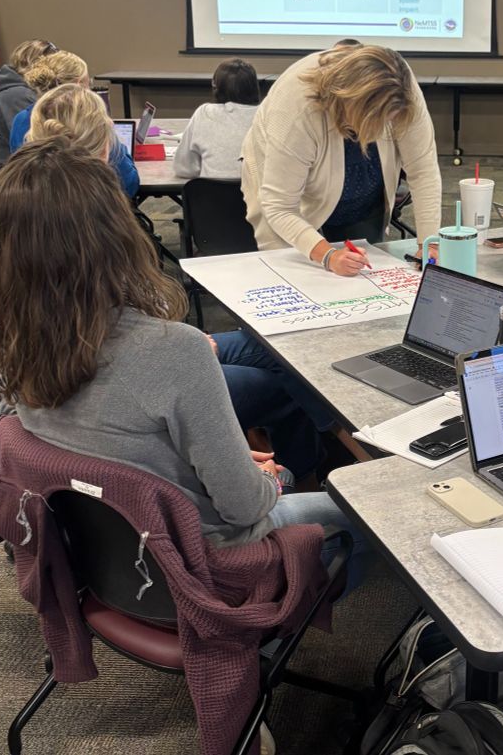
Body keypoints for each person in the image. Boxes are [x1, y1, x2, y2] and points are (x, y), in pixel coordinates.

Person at [0, 139, 366, 571]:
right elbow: (244, 509)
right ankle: (283, 615)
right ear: (116, 234)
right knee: (371, 506)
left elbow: (110, 441)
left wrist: (225, 461)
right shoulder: (173, 349)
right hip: (203, 560)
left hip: (108, 553)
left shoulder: (5, 334)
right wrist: (256, 479)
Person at [23, 83, 330, 483]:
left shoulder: (21, 215)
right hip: (134, 382)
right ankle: (317, 466)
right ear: (105, 148)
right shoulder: (100, 228)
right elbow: (240, 504)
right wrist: (176, 345)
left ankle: (323, 445)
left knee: (266, 347)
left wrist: (171, 341)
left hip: (105, 379)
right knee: (277, 378)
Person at [240, 44, 442, 276]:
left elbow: (423, 170)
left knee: (364, 267)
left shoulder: (400, 88)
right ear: (353, 109)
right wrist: (328, 255)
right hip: (286, 185)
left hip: (360, 185)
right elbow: (280, 207)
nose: (383, 131)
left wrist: (430, 244)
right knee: (297, 275)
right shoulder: (295, 110)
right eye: (378, 123)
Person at [7, 50, 140, 198]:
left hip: (34, 210)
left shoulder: (20, 121)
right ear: (79, 85)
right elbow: (128, 184)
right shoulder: (92, 124)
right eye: (89, 83)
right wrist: (114, 141)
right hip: (91, 211)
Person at [172, 58, 261, 180]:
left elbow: (184, 169)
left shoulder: (204, 113)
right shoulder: (268, 116)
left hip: (211, 197)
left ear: (216, 87)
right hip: (258, 197)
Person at [0, 38, 57, 171]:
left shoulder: (16, 91)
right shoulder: (18, 96)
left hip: (22, 170)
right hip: (13, 177)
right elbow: (36, 146)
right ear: (38, 65)